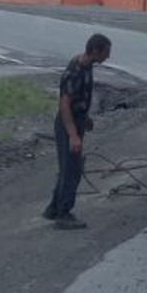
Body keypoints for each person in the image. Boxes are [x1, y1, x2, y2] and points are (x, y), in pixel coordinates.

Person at [43, 32, 111, 230]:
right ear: (95, 51)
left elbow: (77, 98)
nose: (107, 57)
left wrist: (85, 116)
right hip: (67, 124)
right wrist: (73, 135)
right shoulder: (75, 72)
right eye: (106, 53)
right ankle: (64, 214)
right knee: (72, 170)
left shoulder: (87, 65)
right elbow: (64, 105)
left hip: (77, 120)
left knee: (67, 168)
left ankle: (54, 208)